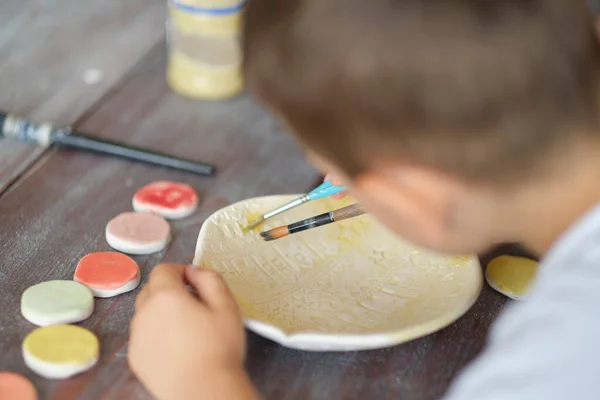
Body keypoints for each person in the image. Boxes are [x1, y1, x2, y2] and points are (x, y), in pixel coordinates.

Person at [128, 1, 600, 399]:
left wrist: (201, 378)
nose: (337, 184)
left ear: (420, 203)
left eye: (350, 177)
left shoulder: (558, 357)